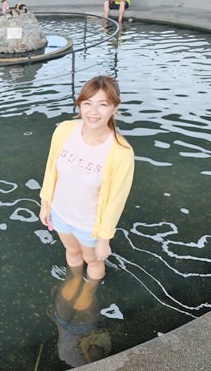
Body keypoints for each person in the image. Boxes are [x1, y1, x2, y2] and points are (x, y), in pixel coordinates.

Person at [39, 75, 134, 310]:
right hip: (61, 212)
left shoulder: (121, 152)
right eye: (87, 103)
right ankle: (73, 278)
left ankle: (89, 288)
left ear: (115, 108)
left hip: (90, 223)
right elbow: (51, 166)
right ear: (79, 104)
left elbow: (116, 200)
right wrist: (45, 202)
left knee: (92, 259)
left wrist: (104, 239)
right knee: (71, 250)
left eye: (102, 104)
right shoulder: (64, 130)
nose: (93, 111)